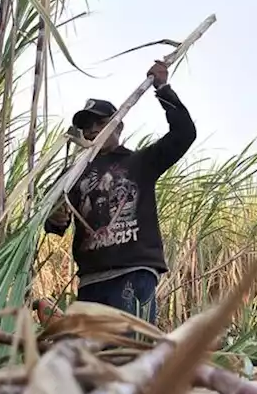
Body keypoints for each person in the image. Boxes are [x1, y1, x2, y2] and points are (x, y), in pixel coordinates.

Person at [44, 60, 196, 325]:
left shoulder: (141, 162)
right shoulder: (73, 174)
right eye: (87, 125)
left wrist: (163, 88)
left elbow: (184, 134)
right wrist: (56, 218)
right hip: (91, 281)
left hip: (133, 273)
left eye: (100, 122)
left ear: (118, 127)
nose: (93, 129)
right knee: (92, 359)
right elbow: (56, 223)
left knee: (129, 353)